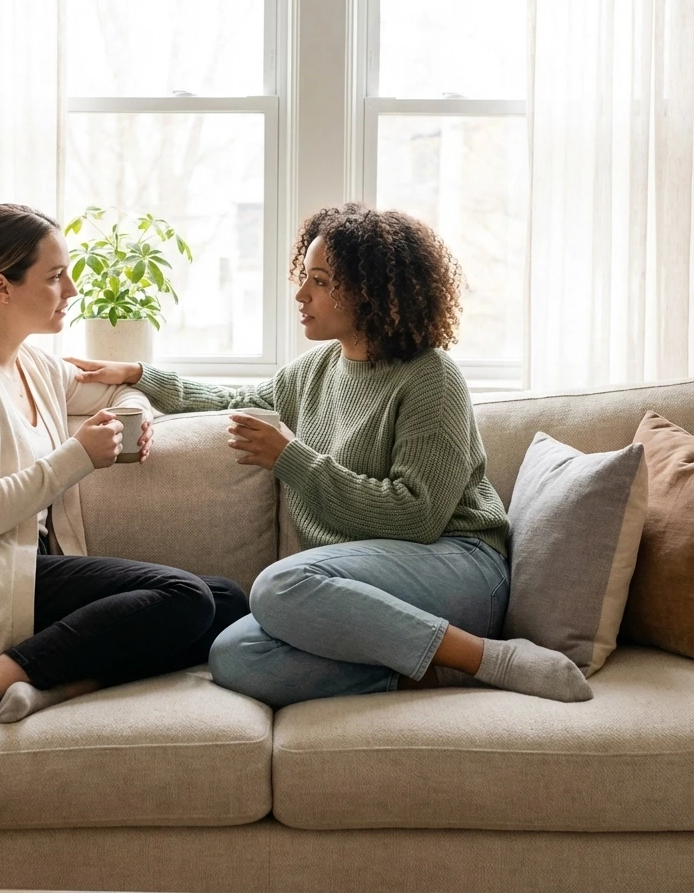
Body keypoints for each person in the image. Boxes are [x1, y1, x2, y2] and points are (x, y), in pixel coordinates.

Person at [67, 203, 593, 708]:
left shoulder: (431, 377)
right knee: (234, 655)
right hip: (359, 588)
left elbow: (418, 517)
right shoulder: (314, 369)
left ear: (371, 293)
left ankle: (489, 658)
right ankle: (434, 668)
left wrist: (292, 459)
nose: (300, 294)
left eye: (320, 281)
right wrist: (139, 375)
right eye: (306, 276)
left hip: (460, 567)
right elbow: (233, 402)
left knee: (280, 583)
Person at [0, 203, 248, 762]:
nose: (71, 288)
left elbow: (112, 390)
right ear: (2, 287)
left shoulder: (34, 365)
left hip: (24, 566)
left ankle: (56, 683)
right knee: (186, 597)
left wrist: (137, 417)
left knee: (230, 603)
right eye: (54, 276)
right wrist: (77, 456)